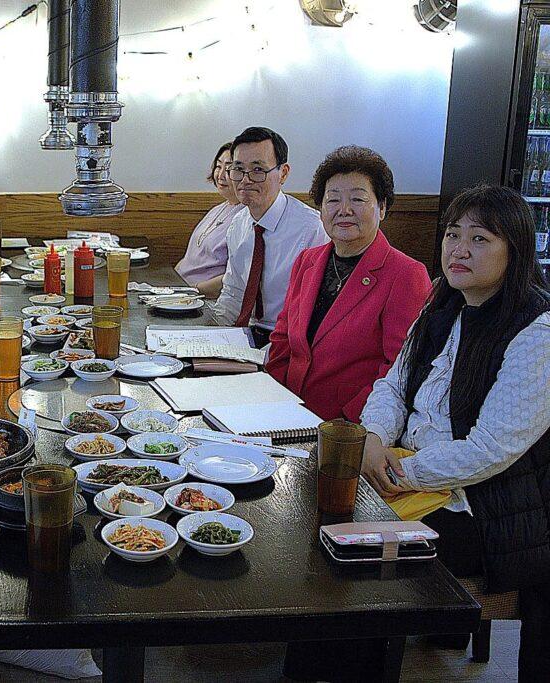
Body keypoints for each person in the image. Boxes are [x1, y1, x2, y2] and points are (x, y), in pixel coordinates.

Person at [360, 185, 550, 680]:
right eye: (452, 234)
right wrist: (373, 440)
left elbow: (494, 448)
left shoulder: (538, 329)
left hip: (486, 509)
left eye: (480, 238)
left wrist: (402, 471)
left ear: (516, 249)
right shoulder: (444, 304)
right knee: (324, 506)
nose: (458, 249)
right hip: (411, 476)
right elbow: (393, 386)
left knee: (359, 550)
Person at [265, 146, 431, 421]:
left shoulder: (406, 274)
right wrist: (273, 400)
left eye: (357, 199)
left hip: (347, 427)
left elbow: (399, 369)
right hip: (286, 413)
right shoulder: (308, 261)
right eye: (332, 200)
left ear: (382, 208)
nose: (343, 210)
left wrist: (345, 423)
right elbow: (282, 340)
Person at [206, 127, 328, 347]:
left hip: (288, 342)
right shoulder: (239, 223)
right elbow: (233, 293)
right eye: (238, 169)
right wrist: (211, 336)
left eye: (258, 169)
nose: (245, 179)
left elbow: (316, 313)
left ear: (283, 173)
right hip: (245, 335)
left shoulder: (312, 229)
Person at [175, 141, 243, 298]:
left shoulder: (245, 217)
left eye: (229, 169)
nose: (220, 175)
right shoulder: (218, 209)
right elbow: (188, 260)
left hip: (201, 298)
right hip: (179, 289)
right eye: (219, 166)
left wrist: (192, 291)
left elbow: (234, 278)